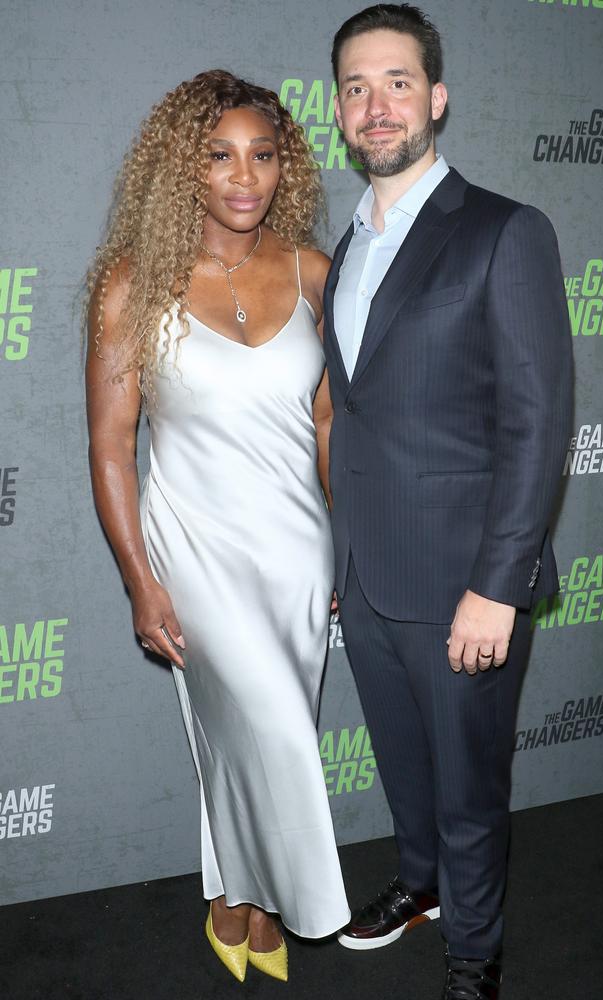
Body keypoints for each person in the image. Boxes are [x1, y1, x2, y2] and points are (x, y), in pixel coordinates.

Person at [324, 6, 573, 998]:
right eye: (354, 86)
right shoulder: (344, 247)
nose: (374, 104)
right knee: (404, 768)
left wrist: (496, 585)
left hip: (464, 583)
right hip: (370, 574)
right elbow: (362, 416)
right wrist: (343, 561)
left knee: (470, 789)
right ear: (338, 112)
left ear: (434, 98)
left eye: (394, 82)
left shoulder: (503, 230)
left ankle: (472, 956)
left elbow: (535, 422)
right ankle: (419, 883)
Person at [85, 69, 350, 985]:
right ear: (182, 166)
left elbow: (324, 422)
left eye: (264, 155)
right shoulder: (132, 286)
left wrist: (343, 536)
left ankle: (233, 901)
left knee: (250, 736)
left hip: (296, 552)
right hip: (192, 546)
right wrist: (139, 579)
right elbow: (113, 448)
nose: (246, 176)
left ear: (287, 166)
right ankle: (288, 901)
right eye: (219, 155)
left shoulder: (315, 271)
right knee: (270, 729)